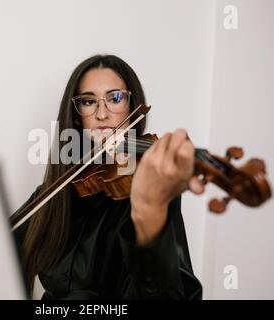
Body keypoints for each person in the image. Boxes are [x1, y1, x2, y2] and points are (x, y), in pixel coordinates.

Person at [13, 54, 204, 299]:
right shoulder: (55, 193)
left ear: (132, 106)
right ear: (77, 116)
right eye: (89, 101)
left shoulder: (149, 192)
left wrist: (150, 211)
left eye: (115, 98)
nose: (102, 114)